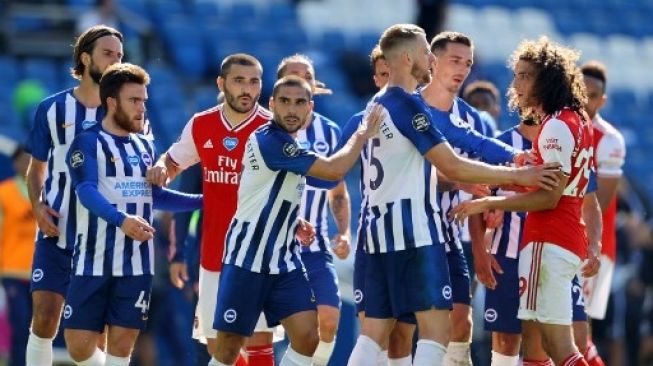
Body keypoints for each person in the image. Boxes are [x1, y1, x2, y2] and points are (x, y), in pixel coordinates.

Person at [346, 24, 561, 366]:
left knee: (374, 335)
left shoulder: (376, 105)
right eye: (425, 52)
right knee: (435, 332)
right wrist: (517, 173)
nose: (430, 58)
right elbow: (454, 165)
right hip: (414, 232)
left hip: (374, 234)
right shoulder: (409, 105)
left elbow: (462, 135)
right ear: (407, 57)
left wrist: (510, 156)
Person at [210, 75, 382, 366]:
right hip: (247, 258)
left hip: (284, 259)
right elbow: (331, 171)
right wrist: (362, 133)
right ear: (272, 104)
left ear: (310, 108)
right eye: (285, 102)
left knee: (307, 337)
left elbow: (319, 184)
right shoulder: (271, 140)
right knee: (229, 349)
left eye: (300, 102)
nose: (292, 109)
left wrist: (292, 221)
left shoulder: (289, 145)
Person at [450, 37, 601, 366]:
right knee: (542, 343)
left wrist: (488, 205)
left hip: (548, 239)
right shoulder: (577, 122)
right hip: (562, 239)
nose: (515, 84)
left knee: (558, 346)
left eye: (524, 75)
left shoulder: (555, 127)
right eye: (516, 75)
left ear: (545, 79)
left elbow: (548, 197)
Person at [62, 62, 202, 366]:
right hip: (92, 262)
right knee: (78, 347)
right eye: (134, 101)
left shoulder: (145, 145)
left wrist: (205, 202)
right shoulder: (87, 142)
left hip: (137, 266)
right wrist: (122, 221)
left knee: (122, 347)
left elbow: (157, 197)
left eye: (144, 101)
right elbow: (86, 191)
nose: (142, 108)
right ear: (112, 102)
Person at [146, 53, 277, 366]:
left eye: (254, 81)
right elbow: (173, 162)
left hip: (258, 257)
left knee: (256, 343)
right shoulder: (202, 124)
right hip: (213, 256)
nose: (247, 89)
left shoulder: (271, 129)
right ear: (222, 83)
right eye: (239, 80)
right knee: (219, 348)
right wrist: (161, 169)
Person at [419, 31, 530, 365]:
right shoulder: (405, 106)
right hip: (410, 231)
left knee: (460, 319)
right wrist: (466, 183)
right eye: (455, 61)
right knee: (405, 326)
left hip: (454, 231)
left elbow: (481, 156)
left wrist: (496, 192)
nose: (463, 69)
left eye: (468, 63)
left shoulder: (471, 118)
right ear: (431, 62)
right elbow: (415, 175)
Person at [24, 25, 126, 366]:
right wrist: (38, 206)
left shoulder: (126, 112)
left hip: (103, 239)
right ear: (85, 58)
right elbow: (36, 168)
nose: (115, 61)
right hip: (56, 231)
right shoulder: (52, 109)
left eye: (119, 56)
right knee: (44, 317)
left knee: (91, 335)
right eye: (108, 54)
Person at [478, 115, 596, 366]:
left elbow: (581, 199)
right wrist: (481, 249)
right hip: (511, 255)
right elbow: (479, 195)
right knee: (522, 342)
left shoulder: (561, 133)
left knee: (563, 342)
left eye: (525, 77)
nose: (519, 89)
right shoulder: (502, 143)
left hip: (548, 247)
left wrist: (495, 201)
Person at [276, 54, 351, 366]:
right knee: (260, 333)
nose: (301, 79)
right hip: (269, 245)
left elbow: (338, 191)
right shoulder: (264, 129)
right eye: (294, 75)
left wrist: (344, 232)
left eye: (306, 75)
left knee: (329, 321)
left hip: (314, 246)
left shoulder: (330, 132)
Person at [579, 61, 626, 366]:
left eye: (593, 95)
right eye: (582, 91)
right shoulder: (561, 125)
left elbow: (602, 202)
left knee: (580, 330)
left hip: (594, 247)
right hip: (561, 240)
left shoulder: (609, 139)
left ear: (603, 100)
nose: (586, 100)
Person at [0, 146, 35, 366]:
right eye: (24, 160)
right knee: (20, 327)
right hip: (13, 270)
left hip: (43, 274)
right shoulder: (4, 193)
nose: (28, 165)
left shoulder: (48, 192)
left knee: (41, 329)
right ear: (14, 164)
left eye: (32, 160)